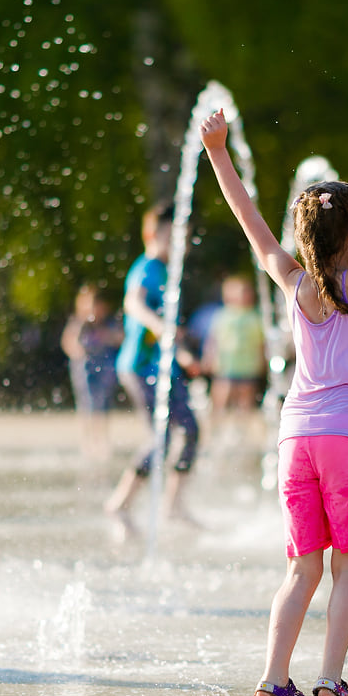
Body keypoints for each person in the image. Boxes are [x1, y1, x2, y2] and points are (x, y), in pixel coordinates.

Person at [201, 80, 348, 696]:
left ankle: (272, 682)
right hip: (347, 441)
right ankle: (330, 681)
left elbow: (251, 224)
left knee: (301, 571)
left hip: (295, 441)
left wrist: (218, 152)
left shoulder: (294, 282)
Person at [103, 203, 201, 531]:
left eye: (185, 238)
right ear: (153, 234)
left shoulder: (167, 273)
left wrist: (183, 355)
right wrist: (160, 327)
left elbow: (169, 330)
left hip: (164, 369)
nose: (182, 245)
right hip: (138, 366)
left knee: (189, 430)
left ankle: (172, 506)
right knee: (159, 439)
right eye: (175, 236)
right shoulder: (146, 267)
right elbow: (133, 303)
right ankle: (120, 503)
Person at [61, 283, 123, 460]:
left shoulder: (109, 324)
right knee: (86, 405)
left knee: (103, 405)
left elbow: (120, 337)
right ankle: (87, 442)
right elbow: (68, 341)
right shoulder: (80, 323)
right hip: (85, 369)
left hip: (105, 369)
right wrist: (77, 351)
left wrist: (108, 336)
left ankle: (102, 441)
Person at [202, 273, 265, 439]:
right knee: (221, 399)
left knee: (246, 401)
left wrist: (263, 360)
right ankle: (213, 431)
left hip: (248, 365)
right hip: (226, 365)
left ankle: (241, 432)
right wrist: (209, 358)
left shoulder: (255, 316)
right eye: (242, 292)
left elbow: (261, 342)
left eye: (247, 291)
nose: (246, 295)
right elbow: (213, 340)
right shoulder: (224, 315)